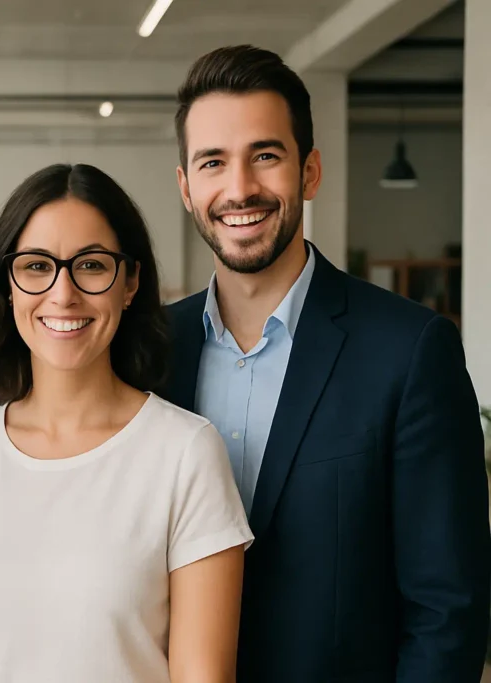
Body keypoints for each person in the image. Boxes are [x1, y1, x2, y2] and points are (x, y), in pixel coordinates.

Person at [164, 45, 490, 683]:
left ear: (309, 171)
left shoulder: (410, 349)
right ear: (185, 187)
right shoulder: (148, 350)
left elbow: (447, 610)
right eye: (213, 163)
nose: (240, 189)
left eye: (266, 155)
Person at [0, 163, 254, 683]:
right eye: (37, 266)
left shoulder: (185, 452)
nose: (63, 294)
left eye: (90, 266)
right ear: (10, 283)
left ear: (130, 281)